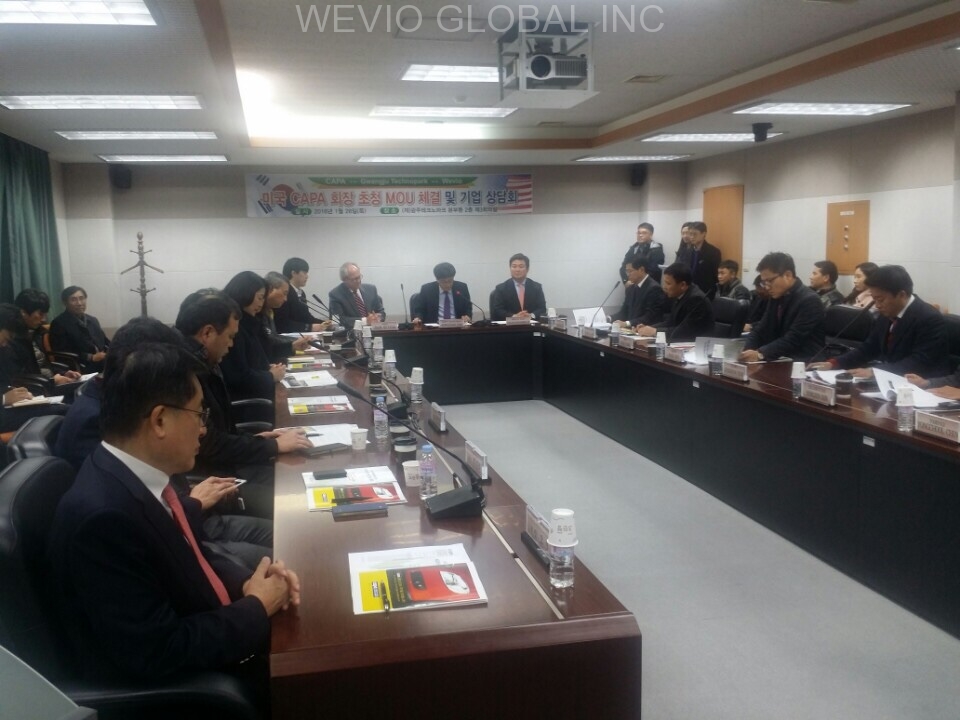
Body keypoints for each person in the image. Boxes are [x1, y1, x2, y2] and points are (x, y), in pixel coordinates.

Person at [48, 341, 299, 694]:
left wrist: (246, 583)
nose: (202, 429)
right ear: (160, 420)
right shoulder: (104, 520)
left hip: (216, 628)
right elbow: (159, 651)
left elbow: (192, 554)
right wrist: (256, 607)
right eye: (199, 414)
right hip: (200, 691)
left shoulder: (132, 476)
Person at [809, 265, 949, 378]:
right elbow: (869, 348)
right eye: (874, 299)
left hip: (919, 387)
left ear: (901, 295)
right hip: (888, 379)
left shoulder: (929, 318)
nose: (877, 305)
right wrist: (834, 363)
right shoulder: (887, 313)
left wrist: (875, 372)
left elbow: (919, 362)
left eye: (880, 299)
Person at [740, 253, 824, 362]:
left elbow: (793, 339)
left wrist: (760, 354)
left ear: (788, 275)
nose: (766, 287)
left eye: (769, 281)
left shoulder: (810, 300)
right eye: (764, 282)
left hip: (804, 362)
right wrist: (747, 351)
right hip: (779, 358)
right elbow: (761, 329)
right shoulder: (777, 296)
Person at [0, 303, 68, 433]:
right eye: (5, 338)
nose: (4, 344)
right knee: (62, 411)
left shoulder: (2, 351)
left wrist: (15, 392)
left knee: (62, 408)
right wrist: (4, 398)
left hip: (7, 407)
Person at [220, 271, 285, 401]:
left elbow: (255, 358)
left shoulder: (251, 321)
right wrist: (270, 376)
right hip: (248, 400)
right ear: (245, 294)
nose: (261, 304)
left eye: (263, 298)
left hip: (258, 392)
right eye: (260, 298)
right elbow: (238, 376)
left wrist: (267, 368)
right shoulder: (235, 328)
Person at [0, 288, 81, 389]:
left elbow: (42, 365)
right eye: (40, 314)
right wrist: (52, 381)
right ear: (23, 312)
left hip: (46, 382)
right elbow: (17, 378)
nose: (44, 319)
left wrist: (63, 373)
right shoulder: (9, 341)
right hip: (37, 389)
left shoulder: (38, 333)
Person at [635, 263, 713, 342]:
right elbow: (671, 322)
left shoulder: (697, 300)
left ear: (682, 285)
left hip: (696, 345)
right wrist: (649, 328)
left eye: (668, 283)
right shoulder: (680, 294)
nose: (664, 287)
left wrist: (655, 331)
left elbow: (684, 331)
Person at [48, 285, 110, 372]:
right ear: (65, 303)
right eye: (73, 300)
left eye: (82, 298)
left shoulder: (93, 320)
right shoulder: (58, 323)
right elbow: (62, 352)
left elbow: (106, 342)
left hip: (103, 362)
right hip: (80, 366)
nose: (79, 303)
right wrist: (91, 357)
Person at [260, 271, 312, 361]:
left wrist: (295, 341)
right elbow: (269, 342)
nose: (285, 299)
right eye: (284, 293)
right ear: (270, 289)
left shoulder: (269, 310)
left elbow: (274, 337)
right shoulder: (258, 312)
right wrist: (293, 342)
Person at [274, 257, 331, 333]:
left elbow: (306, 317)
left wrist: (324, 324)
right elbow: (283, 323)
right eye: (304, 272)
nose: (307, 276)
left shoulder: (301, 293)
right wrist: (309, 327)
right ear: (294, 273)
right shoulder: (285, 293)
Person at [611, 257, 667, 327]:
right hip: (631, 330)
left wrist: (627, 323)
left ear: (641, 270)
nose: (628, 274)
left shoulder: (654, 288)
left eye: (630, 271)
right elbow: (624, 312)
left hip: (646, 330)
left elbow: (650, 317)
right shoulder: (630, 288)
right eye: (627, 271)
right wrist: (609, 318)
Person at [490, 253, 547, 321]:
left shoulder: (536, 287)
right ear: (510, 268)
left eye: (521, 266)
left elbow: (542, 308)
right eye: (514, 266)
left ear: (527, 269)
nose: (517, 270)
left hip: (531, 325)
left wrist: (531, 315)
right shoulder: (501, 288)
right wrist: (514, 316)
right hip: (508, 326)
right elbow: (497, 310)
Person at [328, 262, 385, 326]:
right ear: (344, 280)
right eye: (354, 279)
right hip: (352, 331)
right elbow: (338, 320)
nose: (358, 281)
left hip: (374, 330)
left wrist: (377, 317)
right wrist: (365, 321)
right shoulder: (335, 295)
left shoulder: (371, 289)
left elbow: (381, 312)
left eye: (359, 277)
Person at [676, 221, 722, 296]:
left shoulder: (713, 252)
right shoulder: (687, 251)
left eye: (695, 234)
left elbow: (715, 275)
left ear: (704, 234)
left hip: (705, 291)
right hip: (688, 290)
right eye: (690, 234)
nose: (692, 237)